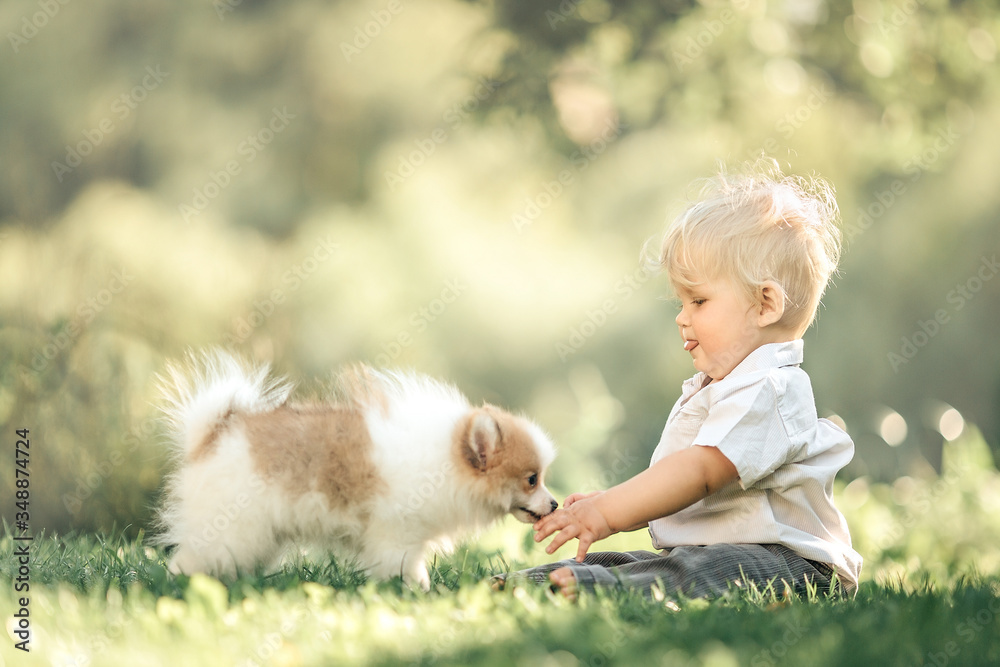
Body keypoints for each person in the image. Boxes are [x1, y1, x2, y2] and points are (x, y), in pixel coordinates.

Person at [495, 164, 863, 600]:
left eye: (699, 300)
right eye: (682, 301)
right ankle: (537, 584)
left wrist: (608, 511)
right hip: (717, 551)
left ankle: (604, 591)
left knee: (702, 569)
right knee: (635, 562)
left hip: (794, 566)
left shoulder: (771, 388)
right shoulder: (724, 385)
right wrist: (609, 503)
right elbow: (677, 492)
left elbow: (699, 474)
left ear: (765, 304)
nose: (681, 317)